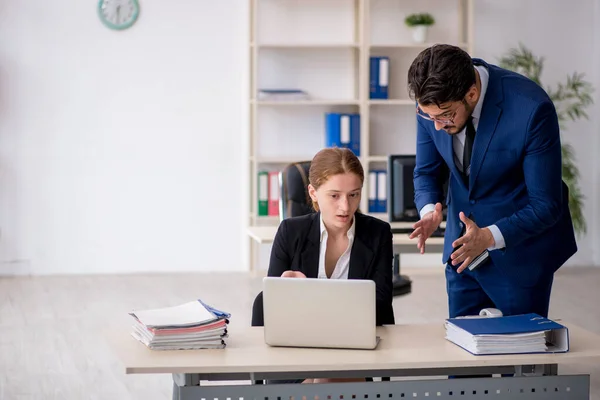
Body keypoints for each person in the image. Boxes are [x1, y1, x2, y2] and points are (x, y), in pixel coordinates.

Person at [406, 44, 577, 319]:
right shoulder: (432, 106)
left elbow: (546, 204)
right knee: (463, 350)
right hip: (461, 255)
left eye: (445, 116)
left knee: (521, 354)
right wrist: (429, 211)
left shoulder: (531, 108)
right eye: (429, 116)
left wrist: (487, 237)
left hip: (519, 255)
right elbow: (426, 171)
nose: (436, 125)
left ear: (471, 94)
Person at [266, 147, 395, 327]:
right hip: (301, 332)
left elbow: (381, 308)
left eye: (353, 195)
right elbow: (271, 304)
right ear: (313, 193)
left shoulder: (378, 233)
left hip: (355, 334)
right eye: (334, 195)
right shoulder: (290, 231)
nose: (346, 207)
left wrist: (308, 296)